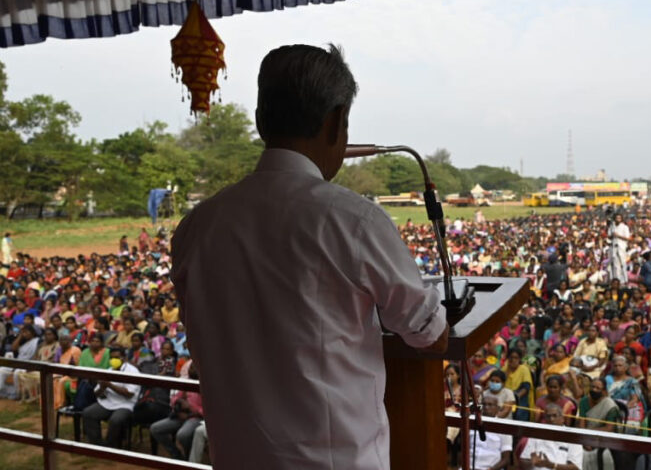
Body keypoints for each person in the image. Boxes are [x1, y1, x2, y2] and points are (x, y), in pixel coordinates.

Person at [170, 45, 448, 469]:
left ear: (261, 120)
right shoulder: (355, 220)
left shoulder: (196, 227)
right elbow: (430, 335)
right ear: (338, 122)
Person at [82, 348, 140, 448]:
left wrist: (109, 385)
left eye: (117, 357)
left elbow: (129, 394)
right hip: (108, 402)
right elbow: (96, 393)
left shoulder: (132, 371)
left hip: (125, 404)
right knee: (88, 413)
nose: (114, 360)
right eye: (112, 358)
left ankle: (111, 446)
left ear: (124, 358)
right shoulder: (109, 370)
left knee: (116, 420)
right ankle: (97, 445)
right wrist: (102, 387)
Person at [150, 363, 204, 460]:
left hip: (196, 418)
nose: (192, 370)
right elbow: (174, 399)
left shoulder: (208, 385)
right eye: (191, 367)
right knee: (155, 429)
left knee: (182, 435)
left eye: (195, 367)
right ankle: (177, 455)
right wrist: (180, 400)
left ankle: (189, 459)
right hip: (180, 415)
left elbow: (209, 411)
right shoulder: (188, 382)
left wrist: (191, 408)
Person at [519, 402, 581, 470]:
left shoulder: (572, 437)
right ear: (545, 419)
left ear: (562, 418)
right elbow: (523, 461)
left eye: (555, 416)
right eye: (548, 416)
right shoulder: (537, 434)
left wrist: (551, 465)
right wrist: (532, 463)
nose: (552, 419)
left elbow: (575, 467)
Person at [578, 378, 621, 470]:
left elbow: (609, 429)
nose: (594, 390)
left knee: (605, 456)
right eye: (592, 387)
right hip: (585, 437)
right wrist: (585, 440)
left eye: (598, 388)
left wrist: (589, 435)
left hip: (603, 438)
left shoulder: (610, 406)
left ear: (604, 391)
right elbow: (582, 423)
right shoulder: (583, 401)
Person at [469, 395, 513, 470]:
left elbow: (506, 459)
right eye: (484, 404)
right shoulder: (473, 423)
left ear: (498, 408)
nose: (486, 407)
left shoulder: (504, 428)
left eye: (490, 405)